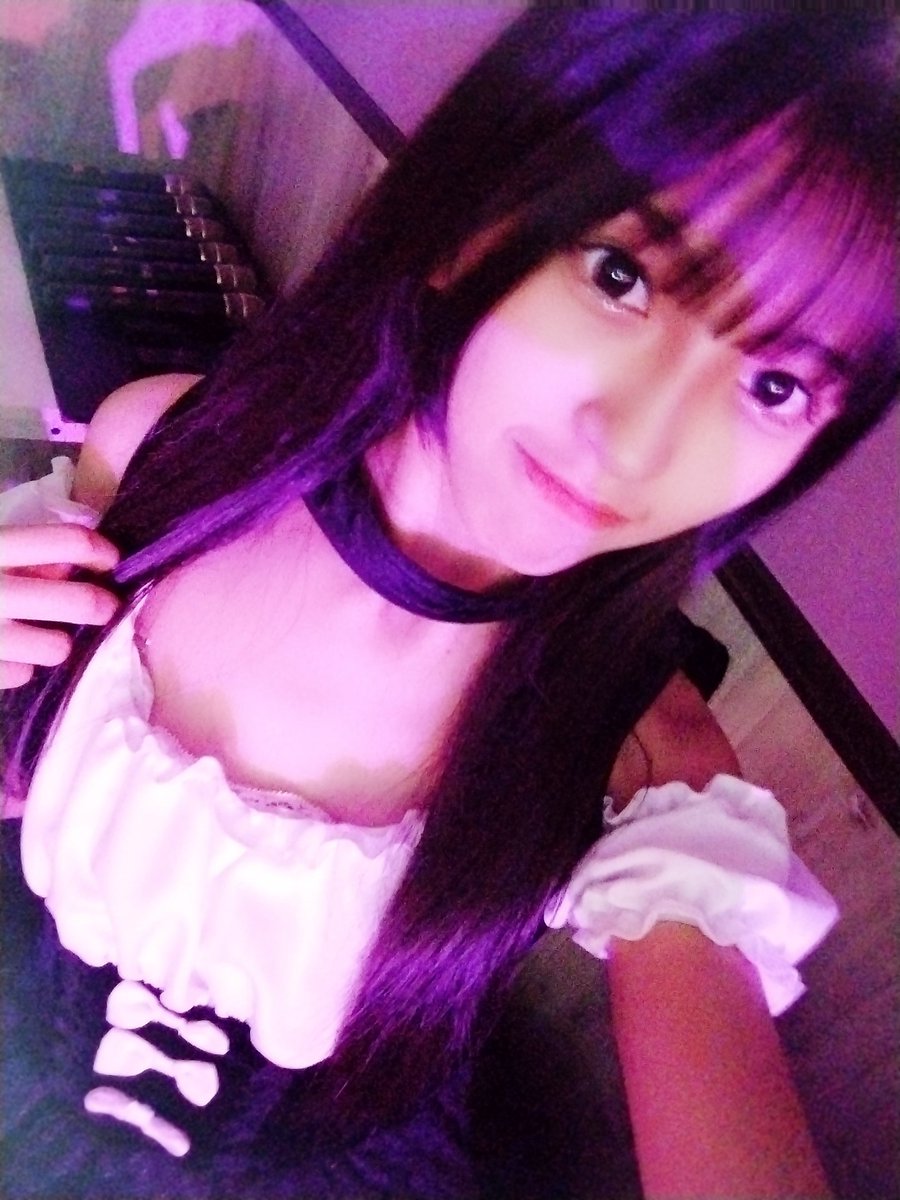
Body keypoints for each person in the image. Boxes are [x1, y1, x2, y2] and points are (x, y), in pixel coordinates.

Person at [1, 9, 896, 1199]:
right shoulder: (164, 456)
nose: (642, 442)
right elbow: (25, 785)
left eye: (777, 386)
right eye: (622, 276)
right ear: (475, 214)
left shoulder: (640, 753)